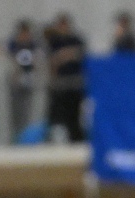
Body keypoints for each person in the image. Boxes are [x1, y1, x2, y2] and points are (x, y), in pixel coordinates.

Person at [43, 12, 86, 143]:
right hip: (60, 84)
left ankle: (76, 138)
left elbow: (80, 55)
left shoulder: (76, 40)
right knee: (58, 115)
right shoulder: (54, 42)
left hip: (74, 82)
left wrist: (63, 55)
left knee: (74, 115)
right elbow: (52, 61)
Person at [6, 20, 42, 141]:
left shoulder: (33, 45)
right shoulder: (13, 44)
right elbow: (11, 60)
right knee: (16, 112)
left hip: (29, 78)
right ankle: (16, 136)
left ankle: (28, 136)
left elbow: (36, 61)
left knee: (28, 109)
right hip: (16, 80)